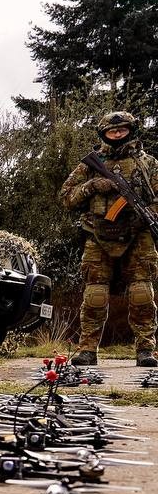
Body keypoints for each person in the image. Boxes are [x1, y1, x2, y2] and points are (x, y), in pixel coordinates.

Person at [61, 111, 158, 367]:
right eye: (112, 131)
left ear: (131, 131)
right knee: (95, 294)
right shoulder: (90, 165)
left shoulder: (148, 163)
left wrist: (146, 216)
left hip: (138, 235)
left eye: (122, 130)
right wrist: (92, 186)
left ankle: (146, 349)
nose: (117, 134)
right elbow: (66, 197)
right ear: (103, 133)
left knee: (141, 293)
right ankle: (87, 349)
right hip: (98, 234)